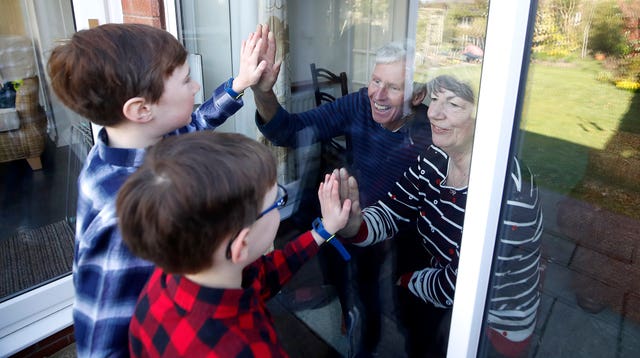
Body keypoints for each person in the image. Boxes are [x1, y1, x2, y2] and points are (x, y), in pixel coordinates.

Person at [47, 23, 269, 357]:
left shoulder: (137, 139)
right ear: (141, 109)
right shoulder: (125, 211)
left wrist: (239, 85)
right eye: (185, 80)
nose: (195, 86)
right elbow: (101, 336)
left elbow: (193, 125)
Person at [252, 26, 433, 356]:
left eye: (393, 88)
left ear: (417, 96)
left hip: (409, 233)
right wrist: (262, 92)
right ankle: (359, 329)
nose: (377, 95)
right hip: (357, 221)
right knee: (359, 288)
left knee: (412, 314)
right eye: (376, 81)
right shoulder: (358, 105)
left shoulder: (431, 131)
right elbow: (287, 131)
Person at [337, 75, 543, 357]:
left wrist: (409, 281)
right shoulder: (436, 155)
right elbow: (393, 209)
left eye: (453, 104)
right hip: (442, 289)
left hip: (496, 323)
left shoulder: (509, 197)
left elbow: (459, 285)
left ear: (486, 117)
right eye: (435, 99)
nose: (433, 112)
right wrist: (354, 225)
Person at [116, 131, 351, 357]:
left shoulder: (164, 282)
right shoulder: (246, 349)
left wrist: (324, 230)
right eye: (277, 201)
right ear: (242, 244)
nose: (280, 205)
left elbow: (264, 275)